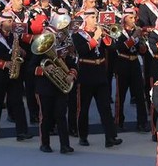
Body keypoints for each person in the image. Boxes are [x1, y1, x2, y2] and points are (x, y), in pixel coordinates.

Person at [73, 11, 121, 149]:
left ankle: (110, 137)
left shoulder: (100, 33)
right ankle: (83, 136)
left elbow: (112, 48)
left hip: (100, 73)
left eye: (96, 17)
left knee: (105, 107)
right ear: (86, 19)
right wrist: (95, 37)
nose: (95, 20)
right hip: (86, 74)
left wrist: (106, 36)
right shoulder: (77, 35)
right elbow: (82, 51)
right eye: (93, 17)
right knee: (83, 108)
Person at [0, 11, 33, 142]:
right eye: (9, 22)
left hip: (14, 74)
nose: (12, 24)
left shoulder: (14, 36)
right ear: (2, 23)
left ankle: (22, 131)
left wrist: (22, 52)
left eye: (12, 21)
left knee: (18, 102)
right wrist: (4, 64)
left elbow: (18, 50)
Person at [31, 16, 77, 154]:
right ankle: (44, 143)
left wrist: (71, 75)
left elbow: (73, 65)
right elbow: (30, 68)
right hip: (44, 87)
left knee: (61, 115)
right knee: (46, 117)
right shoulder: (40, 50)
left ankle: (65, 145)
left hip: (60, 87)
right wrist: (44, 70)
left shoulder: (63, 50)